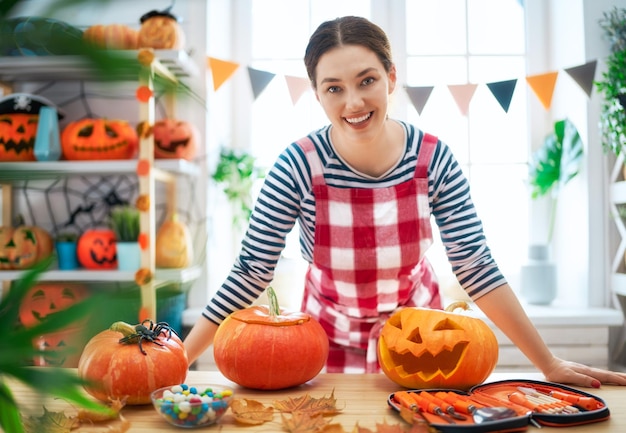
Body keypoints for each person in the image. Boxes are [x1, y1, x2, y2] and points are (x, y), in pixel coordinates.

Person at [185, 15, 626, 387]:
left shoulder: (433, 158)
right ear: (317, 93)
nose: (353, 101)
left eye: (367, 80)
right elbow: (251, 272)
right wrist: (179, 362)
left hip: (421, 340)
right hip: (326, 339)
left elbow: (475, 265)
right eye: (334, 88)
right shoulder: (296, 165)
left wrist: (547, 364)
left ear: (391, 77)